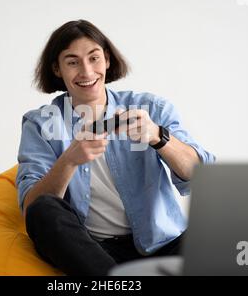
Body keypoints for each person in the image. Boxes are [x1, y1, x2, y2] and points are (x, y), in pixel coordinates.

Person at [16, 19, 215, 276]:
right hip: (93, 251)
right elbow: (32, 208)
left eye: (94, 58)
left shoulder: (151, 108)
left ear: (107, 60)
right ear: (57, 69)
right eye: (72, 61)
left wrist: (158, 137)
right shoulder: (41, 123)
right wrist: (69, 161)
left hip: (164, 244)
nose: (87, 72)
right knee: (43, 211)